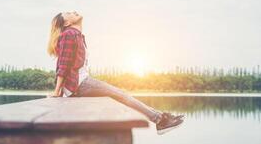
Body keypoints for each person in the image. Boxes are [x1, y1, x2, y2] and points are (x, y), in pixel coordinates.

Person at [46, 11, 184, 135]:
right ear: (67, 23)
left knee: (119, 95)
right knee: (121, 94)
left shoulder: (77, 35)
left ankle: (161, 117)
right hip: (79, 84)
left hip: (80, 82)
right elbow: (63, 64)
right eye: (69, 13)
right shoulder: (69, 34)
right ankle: (160, 120)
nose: (74, 11)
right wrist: (57, 90)